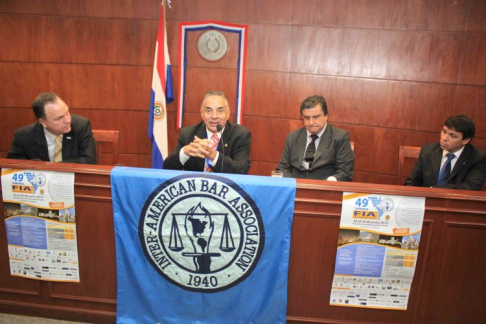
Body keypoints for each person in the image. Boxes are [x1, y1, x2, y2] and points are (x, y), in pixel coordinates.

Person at [163, 91, 251, 174]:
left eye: (220, 111)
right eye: (209, 111)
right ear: (202, 113)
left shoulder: (240, 135)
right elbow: (167, 169)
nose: (214, 116)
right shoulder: (188, 134)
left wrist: (213, 155)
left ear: (228, 113)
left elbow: (241, 170)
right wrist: (185, 152)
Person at [277, 95, 354, 180]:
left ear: (326, 116)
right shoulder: (292, 137)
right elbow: (283, 168)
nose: (311, 122)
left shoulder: (340, 137)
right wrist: (293, 185)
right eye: (307, 118)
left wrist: (328, 183)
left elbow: (345, 172)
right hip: (296, 188)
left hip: (324, 189)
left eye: (316, 117)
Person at [7, 92, 96, 164]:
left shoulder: (81, 126)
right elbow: (12, 165)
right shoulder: (23, 136)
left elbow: (89, 160)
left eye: (67, 112)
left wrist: (51, 167)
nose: (68, 120)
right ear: (43, 122)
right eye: (59, 118)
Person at [404, 115, 486, 191]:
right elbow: (411, 182)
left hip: (455, 204)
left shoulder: (478, 157)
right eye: (444, 131)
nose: (444, 138)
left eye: (453, 135)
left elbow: (471, 187)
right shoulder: (427, 150)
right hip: (425, 202)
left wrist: (433, 190)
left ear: (466, 140)